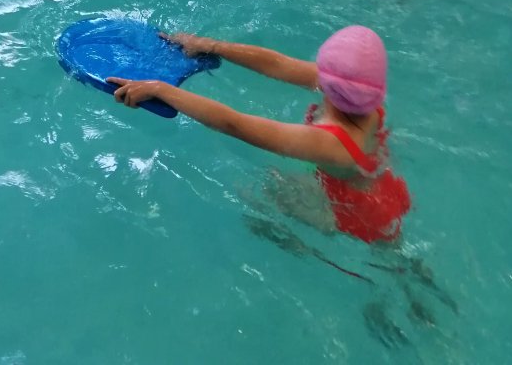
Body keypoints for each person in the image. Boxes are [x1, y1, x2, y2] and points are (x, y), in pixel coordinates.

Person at [108, 25, 411, 246]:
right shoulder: (366, 100)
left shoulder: (330, 142)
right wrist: (209, 45)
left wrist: (161, 89)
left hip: (356, 214)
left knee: (260, 192)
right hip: (382, 189)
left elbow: (234, 124)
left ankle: (298, 245)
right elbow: (278, 64)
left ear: (331, 85)